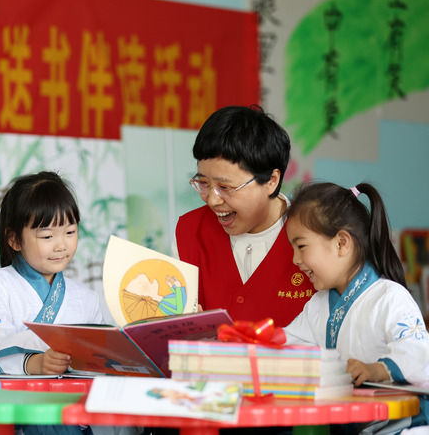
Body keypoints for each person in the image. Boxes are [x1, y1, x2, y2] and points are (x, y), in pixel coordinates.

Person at [284, 182, 428, 431]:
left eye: (302, 246)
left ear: (341, 243)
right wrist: (251, 342)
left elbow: (420, 353)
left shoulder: (390, 297)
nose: (295, 259)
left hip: (404, 426)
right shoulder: (318, 305)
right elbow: (290, 345)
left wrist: (377, 369)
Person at [175, 105, 313, 327]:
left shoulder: (316, 233)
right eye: (203, 183)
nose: (212, 200)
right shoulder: (189, 231)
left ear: (271, 181)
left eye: (225, 187)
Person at [0, 171, 104, 376]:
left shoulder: (88, 299)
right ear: (14, 239)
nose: (61, 245)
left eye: (70, 232)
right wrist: (34, 364)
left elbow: (100, 361)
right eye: (47, 236)